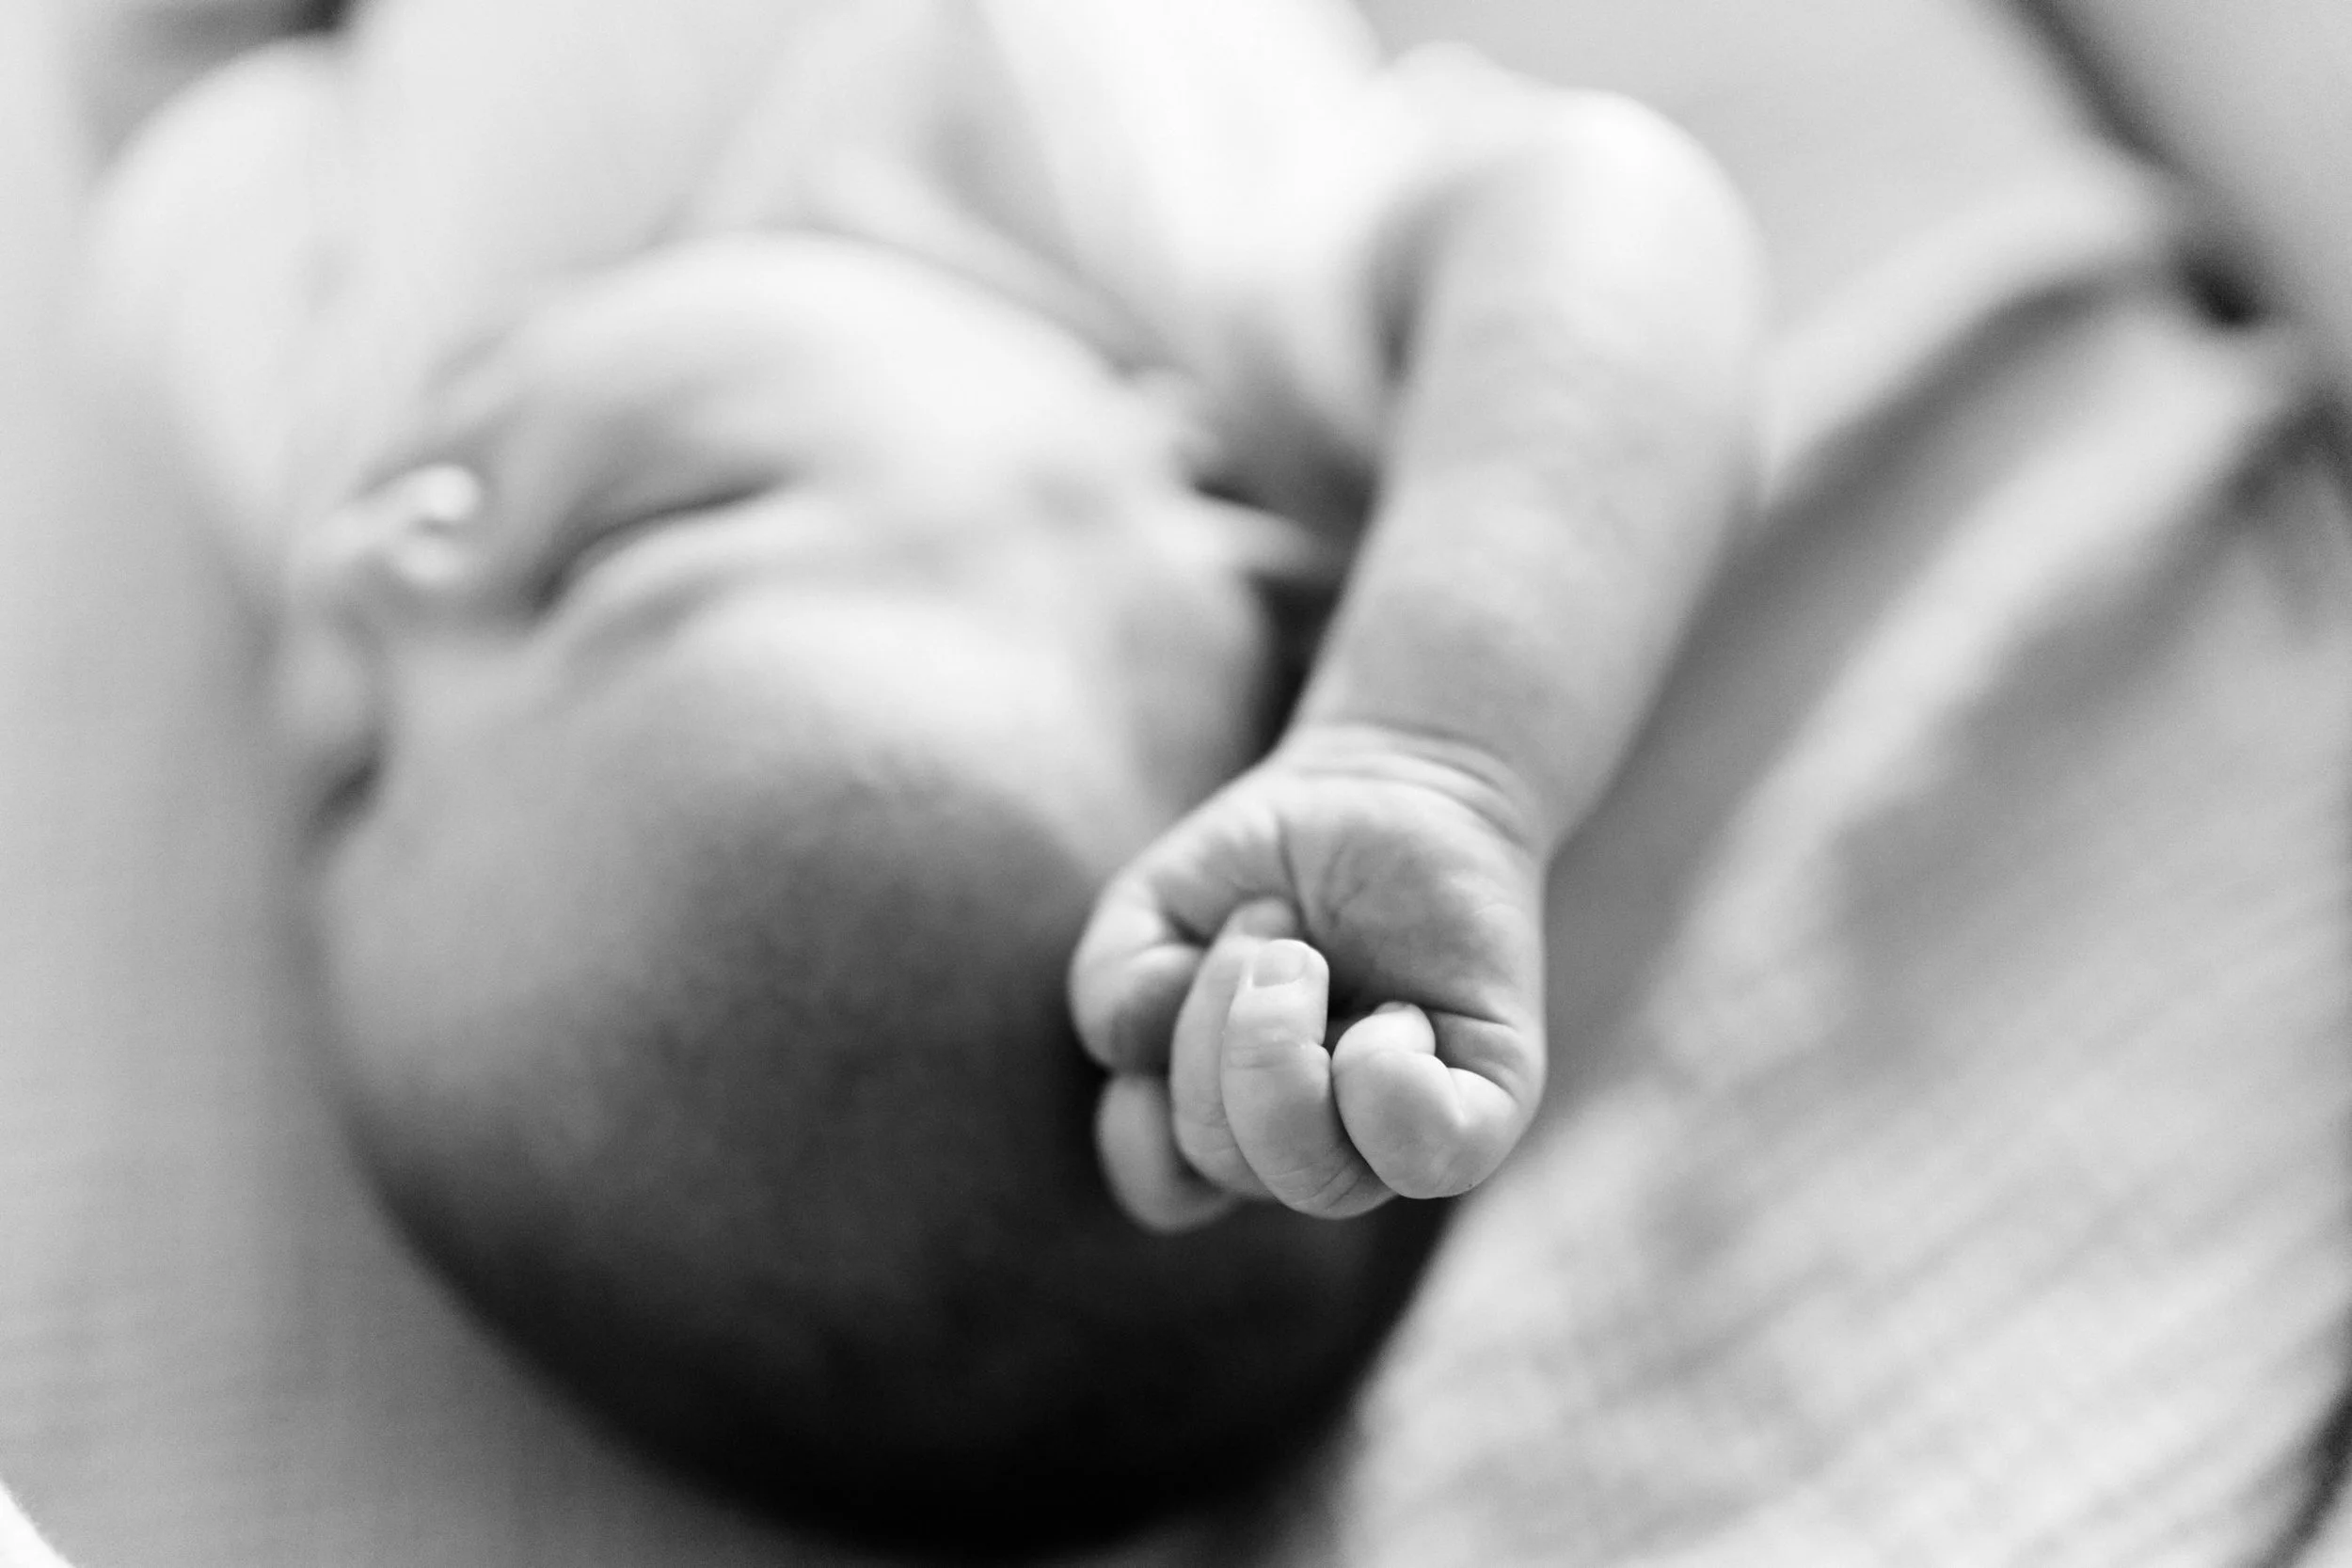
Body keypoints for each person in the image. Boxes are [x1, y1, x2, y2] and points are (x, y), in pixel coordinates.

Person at [85, 0, 1759, 1552]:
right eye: (630, 550)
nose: (378, 579)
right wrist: (1439, 739)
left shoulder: (359, 427)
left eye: (352, 785)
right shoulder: (1194, 285)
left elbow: (176, 84)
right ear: (1232, 538)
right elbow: (1619, 223)